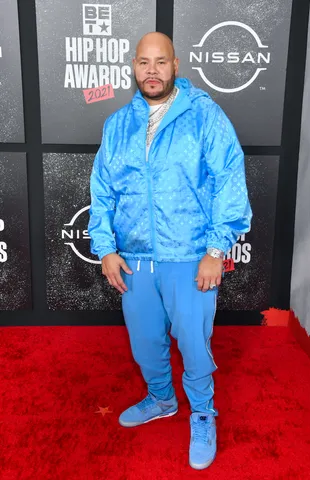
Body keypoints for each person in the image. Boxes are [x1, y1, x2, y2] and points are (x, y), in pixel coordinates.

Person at [88, 32, 252, 470]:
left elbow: (229, 183)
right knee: (145, 344)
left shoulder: (205, 116)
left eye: (161, 62)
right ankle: (162, 399)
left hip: (189, 255)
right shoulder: (118, 124)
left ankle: (202, 411)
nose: (152, 71)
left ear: (176, 64)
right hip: (135, 258)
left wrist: (216, 249)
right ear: (134, 66)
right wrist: (105, 249)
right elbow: (102, 193)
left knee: (195, 345)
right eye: (144, 62)